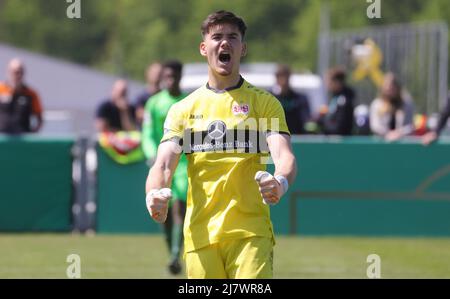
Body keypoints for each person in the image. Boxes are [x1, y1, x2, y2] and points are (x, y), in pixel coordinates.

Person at [144, 10, 297, 279]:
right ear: (204, 48)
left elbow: (284, 155)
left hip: (250, 233)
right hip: (200, 236)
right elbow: (163, 165)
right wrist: (153, 194)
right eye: (217, 37)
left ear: (243, 48)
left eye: (232, 37)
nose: (224, 43)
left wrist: (280, 181)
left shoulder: (265, 103)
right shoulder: (183, 109)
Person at [141, 60, 188, 275]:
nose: (170, 80)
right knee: (162, 211)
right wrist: (151, 154)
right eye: (166, 77)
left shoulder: (189, 102)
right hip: (162, 163)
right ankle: (173, 252)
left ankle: (176, 253)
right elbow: (148, 133)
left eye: (174, 76)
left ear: (180, 77)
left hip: (185, 163)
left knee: (180, 206)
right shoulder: (154, 103)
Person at [0, 58, 43, 134]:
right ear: (8, 72)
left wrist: (33, 134)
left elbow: (39, 118)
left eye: (20, 72)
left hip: (23, 138)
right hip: (2, 138)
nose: (17, 75)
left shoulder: (31, 93)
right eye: (15, 72)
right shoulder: (1, 90)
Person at [370, 73, 414, 141]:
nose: (390, 88)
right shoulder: (376, 104)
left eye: (392, 86)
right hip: (381, 142)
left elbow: (410, 126)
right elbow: (375, 126)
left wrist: (398, 133)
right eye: (387, 86)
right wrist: (388, 134)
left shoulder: (406, 103)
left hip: (401, 142)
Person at [271, 64, 311, 134]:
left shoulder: (300, 99)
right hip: (276, 138)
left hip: (295, 137)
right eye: (280, 76)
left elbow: (305, 120)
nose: (283, 80)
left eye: (285, 76)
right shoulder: (270, 99)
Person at [317, 67, 355, 136]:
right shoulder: (335, 97)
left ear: (337, 82)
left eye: (329, 81)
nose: (327, 84)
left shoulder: (344, 100)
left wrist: (322, 121)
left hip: (341, 142)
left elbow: (339, 127)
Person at [134, 62, 163, 128]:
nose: (157, 75)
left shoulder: (165, 96)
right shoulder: (141, 97)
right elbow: (139, 114)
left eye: (159, 73)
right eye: (154, 73)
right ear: (148, 74)